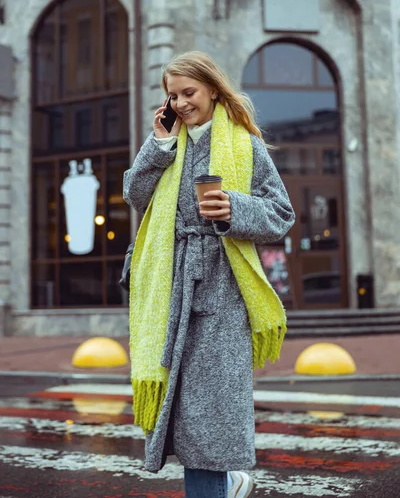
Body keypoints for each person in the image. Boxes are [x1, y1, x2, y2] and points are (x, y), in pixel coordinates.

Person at [123, 51, 295, 498]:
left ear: (213, 90)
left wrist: (234, 208)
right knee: (185, 418)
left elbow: (281, 213)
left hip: (221, 292)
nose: (179, 103)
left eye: (188, 93)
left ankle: (221, 481)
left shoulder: (245, 144)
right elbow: (134, 193)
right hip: (171, 291)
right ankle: (227, 483)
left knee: (210, 419)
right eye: (172, 95)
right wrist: (158, 144)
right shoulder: (167, 145)